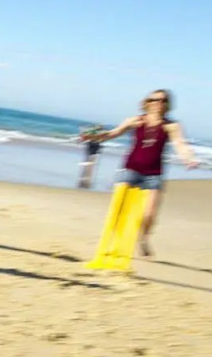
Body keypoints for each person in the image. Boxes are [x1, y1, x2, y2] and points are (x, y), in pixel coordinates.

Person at [90, 89, 199, 257]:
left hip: (153, 174)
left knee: (149, 214)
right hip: (131, 169)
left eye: (163, 100)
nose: (158, 103)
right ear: (147, 102)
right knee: (118, 209)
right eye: (155, 99)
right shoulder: (136, 120)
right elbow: (114, 133)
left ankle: (143, 238)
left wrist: (188, 158)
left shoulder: (171, 126)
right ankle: (110, 241)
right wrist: (95, 137)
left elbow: (180, 144)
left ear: (167, 104)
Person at [77, 124, 105, 189]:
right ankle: (85, 181)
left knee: (87, 164)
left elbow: (85, 136)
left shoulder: (92, 132)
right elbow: (98, 141)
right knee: (90, 166)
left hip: (91, 149)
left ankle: (83, 180)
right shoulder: (96, 133)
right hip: (93, 151)